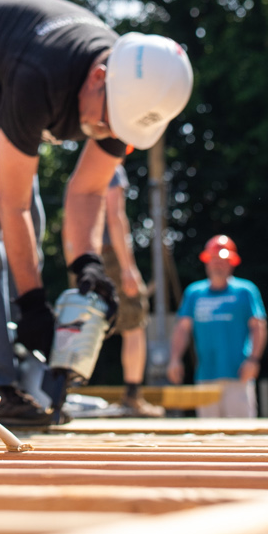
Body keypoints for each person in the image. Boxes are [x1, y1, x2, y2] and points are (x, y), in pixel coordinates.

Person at [0, 0, 194, 426]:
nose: (108, 132)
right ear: (98, 76)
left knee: (35, 217)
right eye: (108, 120)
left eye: (120, 128)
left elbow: (87, 192)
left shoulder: (128, 100)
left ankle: (22, 376)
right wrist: (34, 303)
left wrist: (86, 264)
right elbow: (7, 207)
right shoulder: (43, 75)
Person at [168, 234, 268, 418]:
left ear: (232, 263)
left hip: (238, 375)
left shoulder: (245, 291)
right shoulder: (194, 293)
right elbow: (182, 328)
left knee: (242, 435)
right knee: (208, 437)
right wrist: (174, 359)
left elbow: (258, 326)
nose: (218, 265)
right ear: (207, 262)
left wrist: (253, 360)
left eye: (223, 260)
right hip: (206, 377)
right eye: (214, 259)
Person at [98, 165, 162, 417]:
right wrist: (128, 268)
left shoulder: (84, 165)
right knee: (135, 323)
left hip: (85, 251)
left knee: (82, 323)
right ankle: (133, 397)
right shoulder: (111, 165)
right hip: (110, 253)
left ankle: (59, 393)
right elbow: (115, 217)